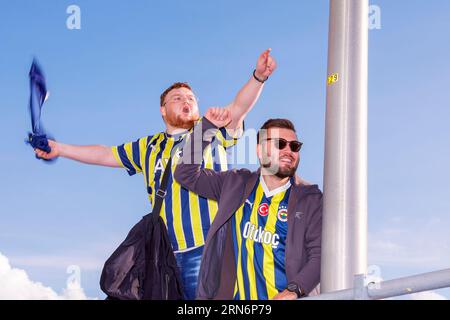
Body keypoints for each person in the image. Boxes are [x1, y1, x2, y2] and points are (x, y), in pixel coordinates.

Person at [33, 49, 277, 300]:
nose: (187, 101)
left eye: (191, 98)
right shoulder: (148, 146)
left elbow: (238, 108)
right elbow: (105, 154)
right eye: (178, 98)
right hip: (164, 258)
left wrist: (258, 77)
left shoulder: (210, 131)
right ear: (162, 110)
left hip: (210, 250)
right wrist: (59, 148)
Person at [174, 111, 322, 300]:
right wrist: (206, 127)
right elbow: (185, 174)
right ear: (259, 150)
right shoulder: (235, 183)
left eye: (294, 146)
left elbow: (319, 254)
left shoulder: (311, 198)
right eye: (280, 144)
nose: (289, 151)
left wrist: (294, 290)